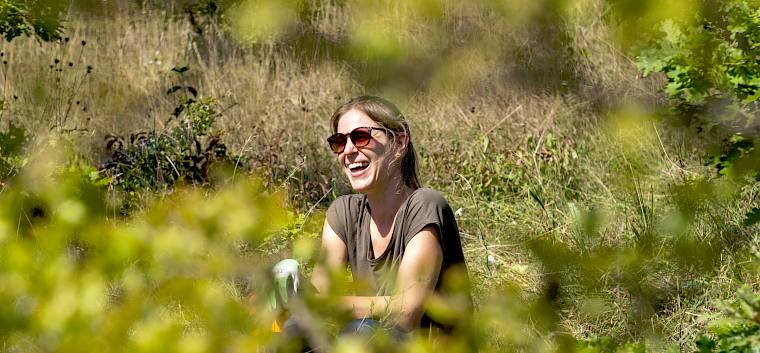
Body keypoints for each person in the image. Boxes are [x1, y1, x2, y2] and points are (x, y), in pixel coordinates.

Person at [310, 95, 472, 338]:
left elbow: (406, 314)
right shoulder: (343, 213)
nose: (349, 150)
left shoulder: (425, 205)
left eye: (361, 137)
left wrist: (329, 305)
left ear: (399, 141)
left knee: (362, 333)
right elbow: (317, 296)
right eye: (339, 142)